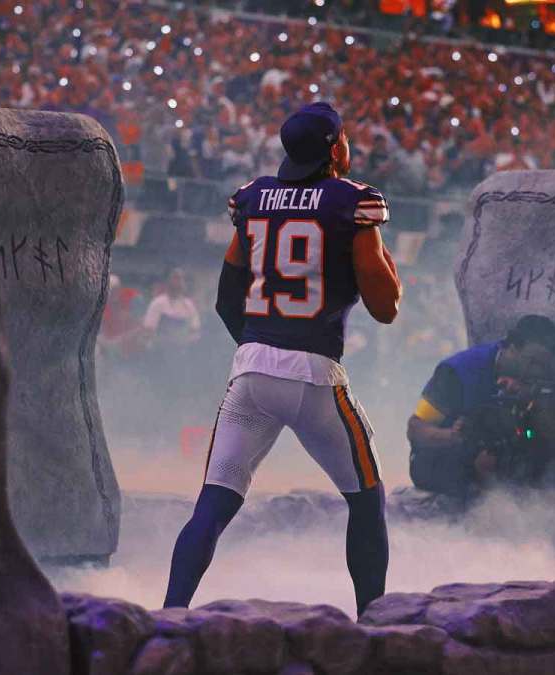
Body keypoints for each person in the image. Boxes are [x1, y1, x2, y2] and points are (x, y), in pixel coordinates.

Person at [164, 102, 403, 616]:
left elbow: (227, 296)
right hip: (314, 375)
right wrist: (380, 256)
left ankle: (168, 618)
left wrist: (259, 346)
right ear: (336, 146)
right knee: (366, 499)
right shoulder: (353, 202)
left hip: (251, 371)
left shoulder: (253, 198)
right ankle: (375, 623)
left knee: (214, 502)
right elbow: (386, 308)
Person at [406, 314, 555, 499]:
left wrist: (533, 402)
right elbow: (415, 429)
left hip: (504, 450)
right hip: (438, 457)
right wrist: (453, 436)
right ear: (512, 347)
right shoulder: (458, 372)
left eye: (541, 366)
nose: (535, 371)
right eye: (532, 361)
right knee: (489, 461)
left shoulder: (535, 379)